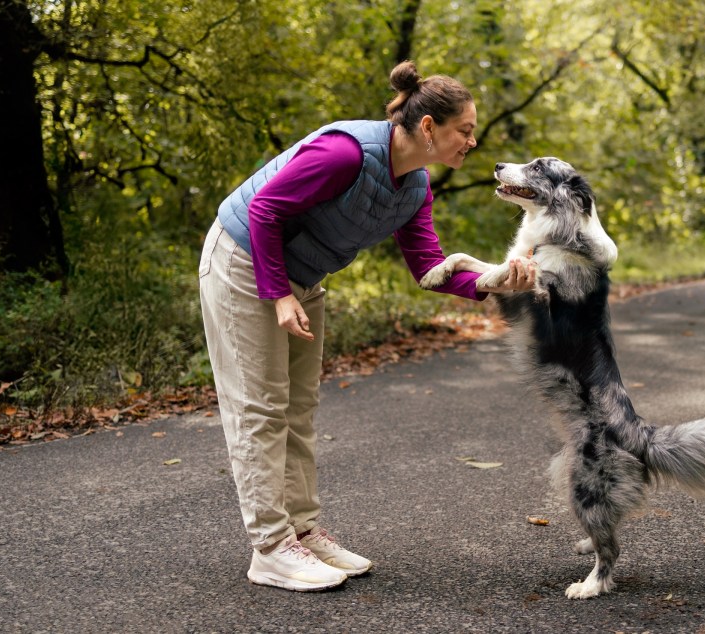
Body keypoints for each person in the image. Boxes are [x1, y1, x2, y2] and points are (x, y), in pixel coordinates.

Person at [198, 61, 535, 592]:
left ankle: (302, 532)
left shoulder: (414, 187)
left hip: (302, 276)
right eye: (464, 131)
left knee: (298, 409)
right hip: (244, 261)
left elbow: (429, 270)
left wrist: (495, 283)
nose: (472, 142)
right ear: (429, 128)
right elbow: (263, 210)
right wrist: (278, 294)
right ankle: (269, 548)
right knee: (260, 407)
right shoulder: (345, 154)